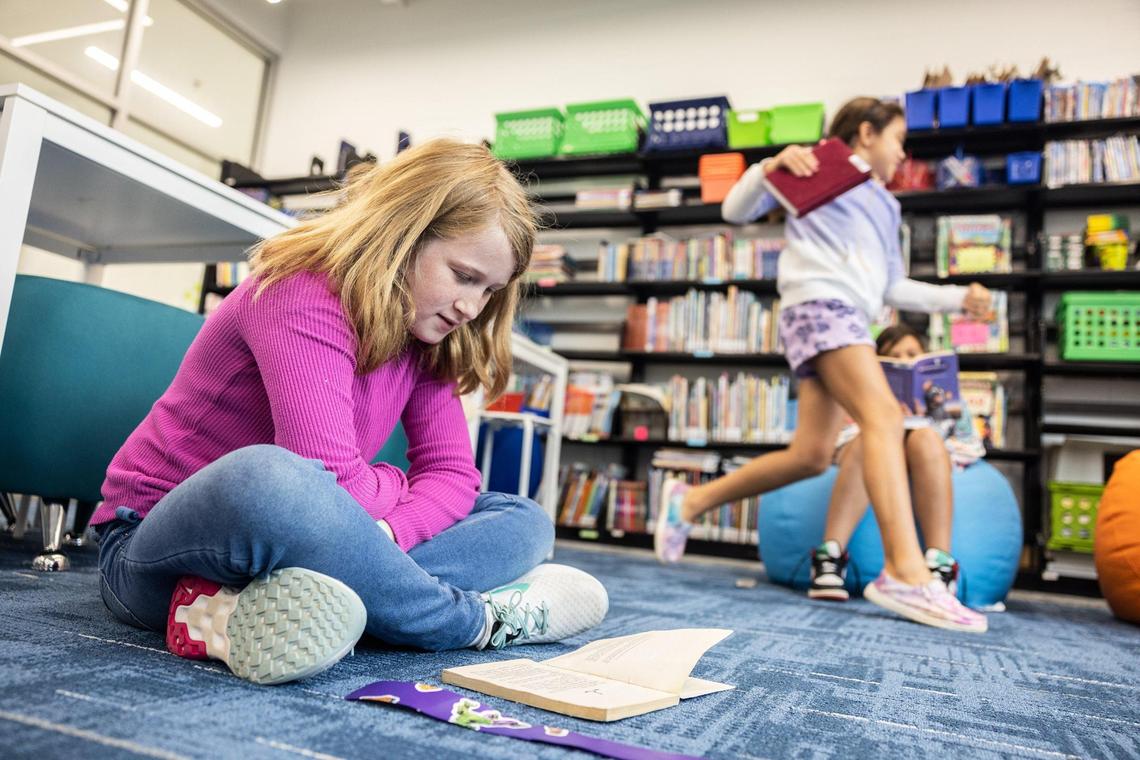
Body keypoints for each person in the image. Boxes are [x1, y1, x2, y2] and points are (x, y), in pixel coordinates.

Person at [91, 139, 608, 686]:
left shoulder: (429, 334)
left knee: (522, 519)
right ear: (402, 236)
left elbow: (454, 474)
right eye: (463, 275)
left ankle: (290, 606)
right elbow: (326, 480)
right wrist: (391, 489)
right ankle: (467, 620)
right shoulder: (298, 290)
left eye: (490, 290)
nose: (472, 308)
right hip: (152, 551)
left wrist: (384, 532)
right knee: (266, 478)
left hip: (296, 556)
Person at [653, 97, 990, 633]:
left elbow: (891, 287)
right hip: (818, 307)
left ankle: (690, 501)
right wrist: (769, 166)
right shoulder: (820, 165)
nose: (903, 153)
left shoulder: (887, 206)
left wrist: (956, 300)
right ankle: (904, 572)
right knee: (884, 417)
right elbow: (735, 210)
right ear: (866, 134)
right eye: (898, 139)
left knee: (810, 455)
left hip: (852, 316)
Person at [808, 324, 985, 602]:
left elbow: (971, 445)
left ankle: (940, 563)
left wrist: (926, 423)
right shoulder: (855, 389)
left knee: (926, 439)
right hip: (863, 446)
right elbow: (832, 439)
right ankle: (829, 555)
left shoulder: (948, 399)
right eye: (894, 356)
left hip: (925, 448)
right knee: (873, 437)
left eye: (912, 354)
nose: (904, 361)